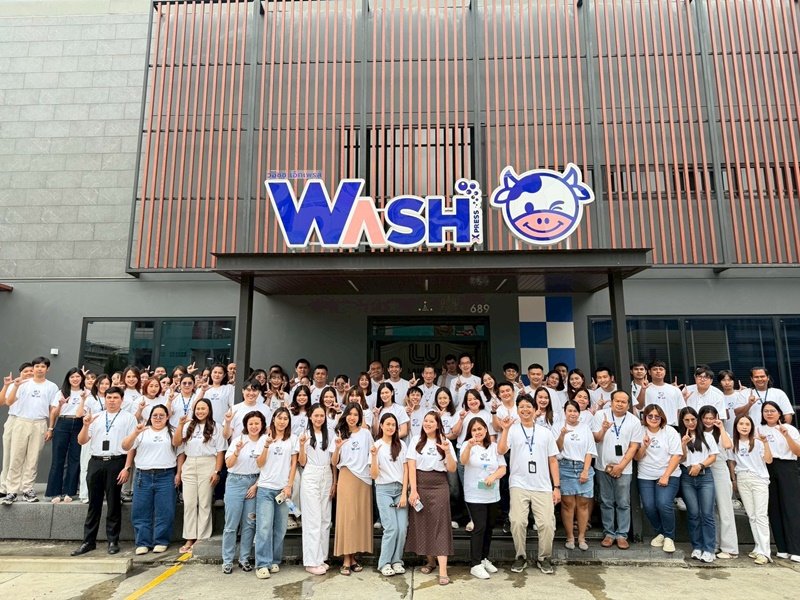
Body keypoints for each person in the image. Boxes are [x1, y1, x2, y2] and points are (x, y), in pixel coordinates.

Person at [497, 394, 560, 575]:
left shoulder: (545, 433)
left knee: (547, 523)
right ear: (517, 410)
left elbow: (553, 460)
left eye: (528, 406)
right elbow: (501, 450)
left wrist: (556, 487)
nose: (525, 410)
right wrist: (505, 430)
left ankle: (544, 557)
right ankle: (520, 556)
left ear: (535, 409)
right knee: (517, 521)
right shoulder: (513, 430)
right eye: (521, 407)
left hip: (542, 485)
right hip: (519, 483)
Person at [70, 386, 137, 555]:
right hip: (96, 462)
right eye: (109, 397)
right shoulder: (96, 417)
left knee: (114, 503)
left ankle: (113, 540)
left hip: (116, 462)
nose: (112, 401)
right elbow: (81, 440)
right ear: (104, 399)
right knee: (94, 503)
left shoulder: (129, 418)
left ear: (121, 400)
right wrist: (85, 426)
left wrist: (127, 467)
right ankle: (88, 541)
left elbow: (131, 446)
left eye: (115, 397)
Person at [406, 411, 457, 586]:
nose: (427, 424)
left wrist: (447, 452)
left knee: (440, 525)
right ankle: (430, 561)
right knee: (423, 523)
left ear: (438, 424)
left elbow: (452, 468)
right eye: (425, 421)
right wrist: (413, 490)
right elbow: (411, 466)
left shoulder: (444, 441)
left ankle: (443, 570)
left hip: (439, 485)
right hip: (420, 484)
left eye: (431, 421)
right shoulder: (416, 440)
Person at [122, 404, 178, 555]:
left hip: (166, 475)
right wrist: (135, 433)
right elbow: (125, 446)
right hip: (143, 476)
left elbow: (180, 452)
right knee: (140, 510)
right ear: (150, 417)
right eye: (155, 415)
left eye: (161, 415)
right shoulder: (142, 431)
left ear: (167, 417)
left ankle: (161, 540)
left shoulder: (173, 432)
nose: (158, 418)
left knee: (165, 510)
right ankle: (142, 542)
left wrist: (178, 473)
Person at [172, 398, 226, 554]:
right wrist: (180, 424)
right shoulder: (188, 425)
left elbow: (220, 451)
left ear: (209, 410)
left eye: (203, 408)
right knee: (189, 503)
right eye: (198, 408)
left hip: (208, 463)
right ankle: (190, 537)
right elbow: (176, 443)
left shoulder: (216, 427)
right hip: (190, 463)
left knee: (204, 503)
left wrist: (216, 471)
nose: (200, 411)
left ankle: (202, 538)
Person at [2, 356, 59, 504]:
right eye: (37, 366)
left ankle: (27, 489)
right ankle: (12, 490)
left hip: (40, 423)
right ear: (33, 368)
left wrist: (50, 428)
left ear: (47, 369)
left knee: (33, 458)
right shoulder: (23, 383)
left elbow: (52, 409)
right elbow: (9, 402)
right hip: (21, 421)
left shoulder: (52, 387)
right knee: (16, 457)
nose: (39, 369)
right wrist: (15, 386)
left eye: (43, 366)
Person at [593, 390, 642, 550]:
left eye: (623, 402)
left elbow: (634, 446)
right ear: (611, 401)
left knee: (623, 502)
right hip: (603, 466)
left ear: (628, 404)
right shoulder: (600, 415)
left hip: (624, 468)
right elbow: (596, 439)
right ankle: (609, 533)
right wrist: (604, 429)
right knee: (606, 501)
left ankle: (622, 535)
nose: (620, 404)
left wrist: (621, 466)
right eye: (617, 401)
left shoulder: (634, 421)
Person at [254, 407, 298, 579]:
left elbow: (294, 464)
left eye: (285, 418)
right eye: (279, 418)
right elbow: (259, 463)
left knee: (280, 528)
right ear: (273, 419)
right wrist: (266, 445)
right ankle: (262, 563)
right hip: (265, 488)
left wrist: (289, 485)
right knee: (264, 527)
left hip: (282, 490)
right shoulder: (264, 438)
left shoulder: (292, 439)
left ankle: (274, 560)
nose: (282, 421)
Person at [221, 410, 266, 574]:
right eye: (251, 423)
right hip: (236, 482)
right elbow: (228, 464)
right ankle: (227, 560)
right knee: (231, 524)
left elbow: (267, 467)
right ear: (246, 425)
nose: (254, 426)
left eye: (257, 423)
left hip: (254, 483)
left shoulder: (265, 441)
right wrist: (237, 451)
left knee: (249, 524)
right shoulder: (238, 440)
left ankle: (244, 558)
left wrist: (256, 485)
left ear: (262, 425)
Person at [460, 417, 505, 579]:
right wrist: (469, 446)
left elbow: (503, 468)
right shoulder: (467, 445)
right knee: (479, 527)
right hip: (475, 495)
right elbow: (463, 461)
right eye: (474, 430)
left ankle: (484, 558)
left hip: (492, 495)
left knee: (489, 527)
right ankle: (475, 564)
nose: (477, 432)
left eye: (480, 429)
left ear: (486, 430)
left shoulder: (494, 447)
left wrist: (493, 476)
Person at [332, 402, 374, 575]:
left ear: (360, 417)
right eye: (349, 414)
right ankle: (346, 559)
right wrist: (337, 448)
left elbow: (372, 454)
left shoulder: (366, 434)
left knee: (359, 519)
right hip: (347, 476)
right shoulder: (339, 433)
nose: (352, 417)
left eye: (356, 414)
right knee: (347, 518)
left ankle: (354, 557)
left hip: (364, 479)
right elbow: (334, 462)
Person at [636, 404, 682, 553]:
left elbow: (677, 455)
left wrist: (666, 476)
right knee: (648, 506)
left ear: (662, 417)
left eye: (657, 416)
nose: (654, 419)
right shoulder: (640, 431)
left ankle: (669, 537)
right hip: (646, 475)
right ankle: (661, 532)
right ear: (645, 417)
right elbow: (637, 457)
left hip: (669, 473)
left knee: (663, 503)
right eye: (650, 416)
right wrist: (644, 446)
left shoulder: (670, 431)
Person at [757, 400, 800, 562]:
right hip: (767, 467)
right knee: (773, 507)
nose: (769, 413)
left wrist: (786, 435)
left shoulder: (789, 428)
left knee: (791, 507)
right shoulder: (759, 429)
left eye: (772, 410)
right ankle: (781, 548)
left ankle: (796, 549)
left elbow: (798, 452)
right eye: (766, 411)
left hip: (787, 467)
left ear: (779, 413)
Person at [678, 406, 719, 563]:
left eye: (693, 419)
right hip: (687, 476)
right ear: (682, 421)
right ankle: (697, 546)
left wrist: (700, 466)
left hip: (704, 475)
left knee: (707, 514)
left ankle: (709, 548)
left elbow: (713, 457)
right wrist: (683, 444)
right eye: (687, 420)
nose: (691, 423)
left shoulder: (707, 436)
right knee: (693, 513)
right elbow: (681, 459)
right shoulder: (680, 437)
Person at [298, 404, 336, 575]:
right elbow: (302, 462)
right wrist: (301, 446)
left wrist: (334, 481)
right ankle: (311, 561)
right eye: (316, 415)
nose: (319, 419)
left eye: (322, 416)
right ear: (310, 417)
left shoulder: (330, 434)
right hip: (311, 474)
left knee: (325, 519)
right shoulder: (305, 435)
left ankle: (321, 558)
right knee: (312, 519)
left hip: (326, 474)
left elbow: (333, 460)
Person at [371, 413, 409, 577]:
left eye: (393, 424)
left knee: (402, 528)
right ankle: (384, 563)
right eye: (388, 424)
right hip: (384, 490)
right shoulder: (377, 445)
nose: (391, 427)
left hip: (399, 490)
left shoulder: (402, 445)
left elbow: (406, 470)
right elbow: (373, 475)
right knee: (391, 528)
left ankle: (396, 560)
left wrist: (404, 493)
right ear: (381, 425)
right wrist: (374, 456)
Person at [731, 415, 773, 565]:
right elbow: (732, 462)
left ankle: (765, 552)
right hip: (743, 479)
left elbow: (769, 460)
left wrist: (765, 442)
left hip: (758, 479)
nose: (744, 426)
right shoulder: (733, 442)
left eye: (747, 424)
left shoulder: (758, 442)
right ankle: (758, 547)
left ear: (752, 426)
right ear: (736, 426)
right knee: (752, 515)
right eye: (741, 423)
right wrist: (734, 479)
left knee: (761, 515)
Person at [555, 400, 596, 551]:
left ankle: (582, 537)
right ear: (565, 412)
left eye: (575, 411)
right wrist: (562, 435)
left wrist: (585, 470)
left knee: (583, 504)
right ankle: (570, 537)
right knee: (567, 504)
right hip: (565, 466)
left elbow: (590, 451)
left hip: (583, 466)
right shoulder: (557, 426)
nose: (572, 414)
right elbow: (556, 449)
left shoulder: (585, 428)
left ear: (579, 413)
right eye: (569, 410)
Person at [697, 406, 738, 559]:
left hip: (720, 469)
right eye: (705, 418)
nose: (708, 421)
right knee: (708, 511)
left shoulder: (721, 432)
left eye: (711, 418)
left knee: (725, 509)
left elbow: (728, 446)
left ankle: (730, 548)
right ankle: (712, 544)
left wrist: (721, 428)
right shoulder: (698, 433)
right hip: (704, 470)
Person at [45, 367, 87, 503]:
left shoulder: (86, 392)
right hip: (63, 423)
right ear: (68, 379)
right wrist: (51, 428)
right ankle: (55, 492)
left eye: (78, 376)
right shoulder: (61, 392)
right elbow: (54, 413)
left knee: (75, 458)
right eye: (72, 377)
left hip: (79, 424)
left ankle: (70, 491)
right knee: (58, 458)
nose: (75, 379)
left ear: (82, 378)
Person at [0, 363, 33, 497]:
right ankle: (4, 487)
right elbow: (2, 402)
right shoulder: (15, 384)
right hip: (14, 420)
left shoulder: (39, 386)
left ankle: (20, 487)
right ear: (20, 372)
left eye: (31, 370)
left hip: (31, 422)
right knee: (9, 456)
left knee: (27, 458)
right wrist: (6, 385)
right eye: (26, 371)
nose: (29, 373)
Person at [77, 374, 110, 503]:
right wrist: (83, 400)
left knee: (103, 466)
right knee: (86, 464)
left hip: (105, 435)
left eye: (107, 384)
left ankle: (100, 494)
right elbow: (79, 414)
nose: (104, 386)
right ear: (97, 384)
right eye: (102, 383)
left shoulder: (111, 398)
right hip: (90, 433)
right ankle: (85, 494)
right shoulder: (90, 398)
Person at [635, 361, 684, 425]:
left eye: (661, 369)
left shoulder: (675, 389)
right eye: (655, 369)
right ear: (649, 372)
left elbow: (681, 410)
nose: (658, 371)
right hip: (651, 425)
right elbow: (639, 406)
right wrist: (643, 390)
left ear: (665, 372)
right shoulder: (643, 389)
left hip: (672, 425)